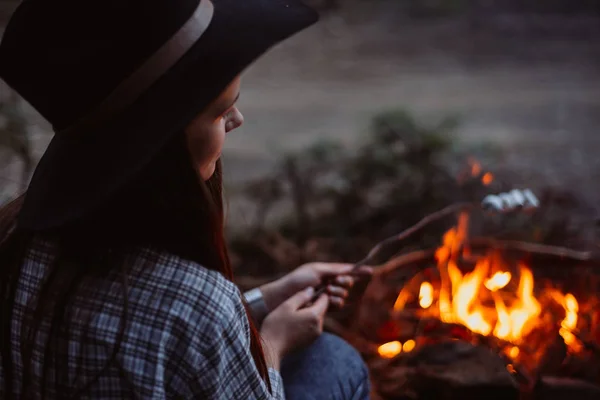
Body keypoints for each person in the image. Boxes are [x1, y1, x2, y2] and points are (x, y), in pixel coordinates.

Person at [0, 0, 372, 399]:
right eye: (220, 111)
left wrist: (263, 301)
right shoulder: (199, 301)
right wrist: (274, 344)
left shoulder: (14, 241)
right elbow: (186, 324)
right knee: (334, 360)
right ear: (160, 144)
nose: (237, 120)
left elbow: (159, 331)